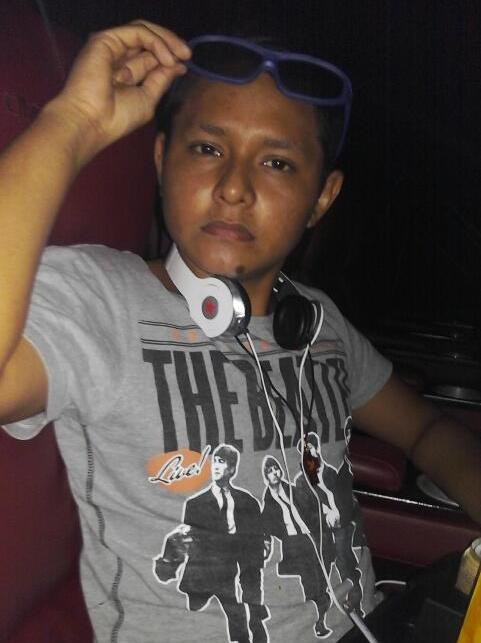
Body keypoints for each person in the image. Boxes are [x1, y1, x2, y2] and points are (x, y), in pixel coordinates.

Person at [1, 19, 481, 643]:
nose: (234, 187)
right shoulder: (100, 298)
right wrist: (73, 123)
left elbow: (425, 429)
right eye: (207, 149)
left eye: (276, 162)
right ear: (161, 160)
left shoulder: (315, 320)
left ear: (321, 198)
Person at [154, 444, 268, 643]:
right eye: (214, 461)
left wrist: (262, 547)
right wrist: (170, 562)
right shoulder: (195, 504)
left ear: (231, 469)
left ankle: (253, 627)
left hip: (240, 561)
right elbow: (188, 538)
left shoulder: (248, 501)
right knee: (200, 611)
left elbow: (257, 537)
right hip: (209, 567)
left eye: (221, 462)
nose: (215, 465)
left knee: (241, 603)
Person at [261, 455, 332, 638]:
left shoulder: (294, 491)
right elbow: (266, 528)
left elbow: (312, 509)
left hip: (313, 538)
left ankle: (320, 615)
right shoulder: (268, 503)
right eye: (269, 471)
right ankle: (318, 622)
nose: (274, 473)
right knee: (312, 583)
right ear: (265, 476)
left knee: (322, 582)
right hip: (295, 544)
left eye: (276, 469)